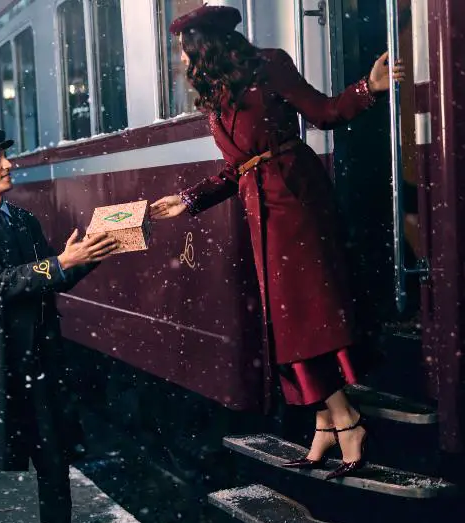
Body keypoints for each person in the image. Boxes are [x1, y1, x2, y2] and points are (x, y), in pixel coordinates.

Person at [151, 5, 405, 480]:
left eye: (185, 51)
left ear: (204, 45)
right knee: (286, 322)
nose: (182, 61)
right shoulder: (218, 92)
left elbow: (324, 112)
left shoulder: (270, 65)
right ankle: (324, 423)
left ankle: (347, 419)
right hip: (262, 209)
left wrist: (366, 90)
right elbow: (237, 168)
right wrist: (186, 200)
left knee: (304, 317)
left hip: (296, 200)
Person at [0, 129, 119, 523]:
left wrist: (93, 252)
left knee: (55, 468)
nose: (8, 165)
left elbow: (51, 280)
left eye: (5, 157)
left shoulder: (22, 220)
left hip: (39, 361)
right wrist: (60, 263)